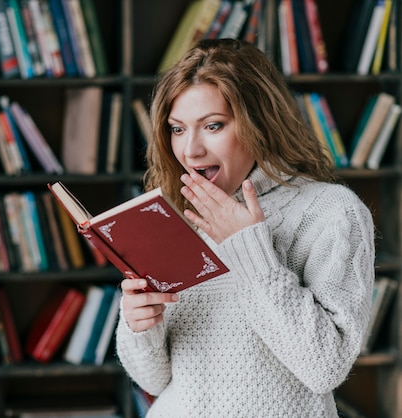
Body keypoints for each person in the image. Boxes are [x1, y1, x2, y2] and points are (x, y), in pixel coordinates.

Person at [116, 38, 375, 417]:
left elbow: (324, 368)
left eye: (213, 125)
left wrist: (251, 250)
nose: (191, 150)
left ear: (260, 122)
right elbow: (154, 380)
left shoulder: (331, 212)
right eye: (177, 129)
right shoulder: (177, 215)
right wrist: (140, 324)